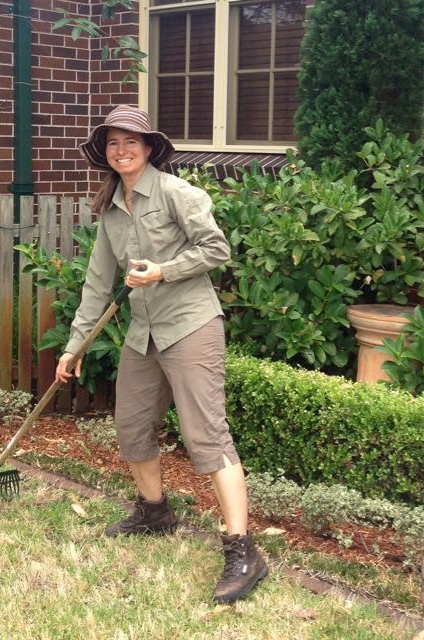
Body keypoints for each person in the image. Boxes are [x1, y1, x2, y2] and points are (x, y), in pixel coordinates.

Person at [55, 104, 268, 604]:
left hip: (190, 326)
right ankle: (155, 512)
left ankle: (243, 549)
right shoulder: (110, 209)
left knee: (206, 434)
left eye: (131, 141)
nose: (121, 149)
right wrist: (74, 346)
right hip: (143, 334)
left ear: (149, 147)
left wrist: (162, 271)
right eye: (112, 142)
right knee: (130, 425)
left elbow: (217, 250)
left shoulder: (177, 193)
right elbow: (95, 285)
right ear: (104, 153)